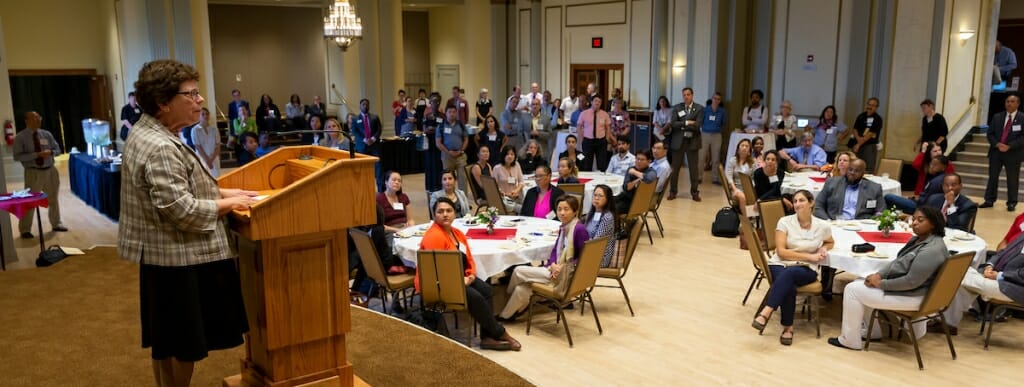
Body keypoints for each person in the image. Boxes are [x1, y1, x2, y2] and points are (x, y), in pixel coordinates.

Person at [118, 59, 255, 386]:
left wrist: (221, 190)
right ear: (164, 103)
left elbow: (178, 187)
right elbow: (181, 209)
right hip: (180, 259)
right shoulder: (161, 145)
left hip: (162, 258)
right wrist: (228, 203)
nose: (201, 100)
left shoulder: (149, 131)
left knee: (165, 342)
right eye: (191, 94)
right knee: (182, 345)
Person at [828, 206, 949, 350]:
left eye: (920, 220)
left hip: (916, 296)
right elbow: (897, 263)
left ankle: (849, 340)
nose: (914, 223)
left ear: (933, 223)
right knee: (860, 281)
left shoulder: (932, 250)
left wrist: (881, 284)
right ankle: (873, 331)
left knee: (852, 290)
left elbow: (911, 282)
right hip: (914, 291)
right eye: (914, 219)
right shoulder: (919, 240)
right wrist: (878, 275)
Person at [418, 197, 521, 351]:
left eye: (449, 211)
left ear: (454, 213)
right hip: (439, 284)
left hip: (459, 278)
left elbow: (469, 258)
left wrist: (471, 275)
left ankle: (487, 337)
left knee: (487, 290)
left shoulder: (457, 233)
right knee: (476, 297)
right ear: (434, 215)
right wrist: (461, 281)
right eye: (440, 211)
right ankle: (500, 332)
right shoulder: (434, 236)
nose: (445, 214)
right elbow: (440, 271)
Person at [751, 190, 834, 345]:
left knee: (788, 276)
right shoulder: (785, 222)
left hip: (806, 268)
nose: (797, 204)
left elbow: (830, 242)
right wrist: (810, 256)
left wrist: (824, 249)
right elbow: (781, 252)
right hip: (780, 263)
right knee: (788, 281)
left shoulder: (822, 226)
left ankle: (766, 312)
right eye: (795, 201)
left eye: (801, 200)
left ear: (811, 203)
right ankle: (788, 328)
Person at [499, 195, 588, 321]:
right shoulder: (564, 227)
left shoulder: (579, 229)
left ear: (575, 211)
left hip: (565, 275)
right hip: (554, 269)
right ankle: (508, 315)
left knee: (519, 271)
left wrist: (562, 266)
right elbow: (554, 252)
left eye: (566, 209)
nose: (562, 213)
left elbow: (584, 257)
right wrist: (552, 264)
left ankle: (507, 297)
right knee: (522, 289)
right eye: (559, 209)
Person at [939, 231, 1024, 334]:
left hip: (1013, 287)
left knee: (958, 273)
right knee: (963, 273)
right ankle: (948, 324)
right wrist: (989, 265)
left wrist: (998, 275)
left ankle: (947, 322)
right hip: (996, 276)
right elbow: (1002, 252)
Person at [13, 110, 67, 237]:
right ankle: (25, 230)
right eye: (34, 118)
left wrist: (51, 153)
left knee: (53, 198)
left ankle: (56, 223)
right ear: (27, 120)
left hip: (50, 170)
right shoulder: (21, 137)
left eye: (39, 117)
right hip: (33, 172)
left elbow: (57, 149)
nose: (38, 120)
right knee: (30, 201)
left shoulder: (46, 134)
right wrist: (36, 155)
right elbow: (17, 156)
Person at [982, 93, 1023, 211]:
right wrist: (997, 144)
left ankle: (1011, 202)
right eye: (1007, 101)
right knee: (993, 177)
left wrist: (1009, 146)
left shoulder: (1022, 118)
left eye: (1012, 101)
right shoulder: (997, 117)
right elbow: (990, 134)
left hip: (1013, 153)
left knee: (1012, 178)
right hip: (996, 152)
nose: (1009, 103)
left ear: (1018, 104)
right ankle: (989, 200)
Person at [814, 159, 885, 221]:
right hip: (835, 223)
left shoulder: (874, 188)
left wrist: (872, 222)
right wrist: (827, 221)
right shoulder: (832, 183)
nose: (852, 173)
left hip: (861, 225)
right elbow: (818, 206)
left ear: (863, 173)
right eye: (850, 169)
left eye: (857, 171)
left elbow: (881, 211)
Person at [667, 87, 704, 201]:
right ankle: (673, 191)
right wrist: (687, 122)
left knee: (693, 168)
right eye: (684, 95)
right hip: (678, 141)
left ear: (692, 95)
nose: (686, 97)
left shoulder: (699, 108)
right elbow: (673, 124)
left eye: (688, 94)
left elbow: (697, 125)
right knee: (675, 168)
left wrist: (682, 124)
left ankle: (694, 192)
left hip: (693, 141)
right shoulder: (677, 107)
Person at [885, 155, 949, 214]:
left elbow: (925, 202)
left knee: (888, 197)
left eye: (935, 165)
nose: (931, 166)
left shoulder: (936, 181)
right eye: (931, 164)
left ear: (943, 168)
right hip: (920, 203)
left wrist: (912, 199)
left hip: (919, 207)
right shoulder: (937, 176)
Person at [845, 97, 884, 172]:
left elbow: (870, 134)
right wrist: (858, 140)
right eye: (869, 104)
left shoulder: (878, 119)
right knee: (854, 167)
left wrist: (858, 144)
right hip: (857, 144)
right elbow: (855, 129)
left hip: (869, 146)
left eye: (872, 105)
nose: (870, 107)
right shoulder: (861, 116)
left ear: (876, 107)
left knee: (867, 169)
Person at [353, 98, 384, 190]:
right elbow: (355, 132)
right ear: (360, 106)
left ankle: (381, 190)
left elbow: (379, 129)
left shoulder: (375, 117)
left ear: (369, 106)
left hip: (375, 146)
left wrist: (373, 138)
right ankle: (365, 189)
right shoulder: (355, 119)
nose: (365, 106)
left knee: (378, 168)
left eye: (367, 104)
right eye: (363, 104)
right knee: (363, 168)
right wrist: (364, 139)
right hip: (362, 146)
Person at [437, 105, 469, 193]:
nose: (452, 114)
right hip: (447, 156)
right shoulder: (441, 126)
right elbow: (438, 143)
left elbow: (466, 139)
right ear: (446, 113)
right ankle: (448, 199)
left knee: (463, 179)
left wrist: (461, 151)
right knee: (448, 179)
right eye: (449, 112)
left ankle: (463, 201)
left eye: (454, 112)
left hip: (460, 156)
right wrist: (448, 152)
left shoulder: (461, 125)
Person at [615, 149, 657, 214]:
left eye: (642, 160)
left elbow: (649, 179)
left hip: (636, 203)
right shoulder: (631, 169)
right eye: (637, 159)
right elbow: (626, 187)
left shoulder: (651, 171)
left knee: (613, 208)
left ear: (649, 161)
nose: (638, 161)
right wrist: (636, 181)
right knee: (603, 202)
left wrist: (634, 172)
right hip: (625, 197)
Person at [578, 94, 613, 172]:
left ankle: (601, 181)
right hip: (588, 141)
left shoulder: (605, 114)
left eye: (599, 102)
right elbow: (579, 127)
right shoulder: (584, 113)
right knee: (587, 164)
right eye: (596, 101)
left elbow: (608, 128)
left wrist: (606, 139)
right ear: (591, 102)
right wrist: (581, 140)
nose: (597, 103)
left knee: (602, 164)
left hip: (601, 141)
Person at [587, 184, 618, 267]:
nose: (596, 198)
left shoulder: (607, 217)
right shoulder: (593, 213)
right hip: (589, 250)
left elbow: (596, 242)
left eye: (600, 196)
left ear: (608, 199)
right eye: (595, 195)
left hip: (600, 257)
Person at [726, 139, 756, 215]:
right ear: (738, 148)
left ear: (749, 149)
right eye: (742, 145)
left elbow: (754, 177)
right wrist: (735, 189)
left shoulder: (752, 162)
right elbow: (729, 177)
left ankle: (754, 216)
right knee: (742, 196)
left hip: (749, 188)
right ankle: (747, 220)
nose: (744, 148)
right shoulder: (733, 160)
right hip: (736, 187)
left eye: (747, 146)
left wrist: (751, 188)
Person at [701, 93, 726, 182]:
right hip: (705, 134)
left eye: (718, 99)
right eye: (715, 98)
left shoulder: (722, 111)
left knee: (716, 158)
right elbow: (701, 121)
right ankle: (699, 177)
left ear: (720, 101)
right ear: (712, 99)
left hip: (717, 135)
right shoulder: (705, 110)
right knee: (701, 157)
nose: (716, 100)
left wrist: (718, 129)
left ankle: (715, 178)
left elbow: (724, 123)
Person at [494, 145, 526, 211]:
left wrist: (516, 190)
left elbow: (521, 181)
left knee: (531, 207)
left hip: (517, 197)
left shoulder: (516, 165)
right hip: (504, 199)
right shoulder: (497, 168)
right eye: (507, 154)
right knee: (523, 210)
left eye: (512, 154)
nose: (510, 156)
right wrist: (506, 194)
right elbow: (494, 187)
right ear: (503, 155)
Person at [423, 93, 444, 192]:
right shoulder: (427, 116)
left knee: (438, 165)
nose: (435, 104)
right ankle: (429, 187)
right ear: (430, 103)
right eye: (433, 102)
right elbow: (424, 130)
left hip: (439, 145)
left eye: (437, 102)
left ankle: (439, 186)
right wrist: (429, 129)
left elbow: (444, 130)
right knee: (429, 164)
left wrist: (435, 129)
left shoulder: (443, 116)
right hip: (429, 144)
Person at [190, 107, 220, 177]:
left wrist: (211, 159)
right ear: (199, 116)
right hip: (202, 159)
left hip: (214, 158)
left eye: (207, 114)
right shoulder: (195, 130)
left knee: (216, 178)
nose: (205, 116)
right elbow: (198, 147)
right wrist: (207, 160)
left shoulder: (214, 129)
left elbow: (218, 146)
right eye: (202, 114)